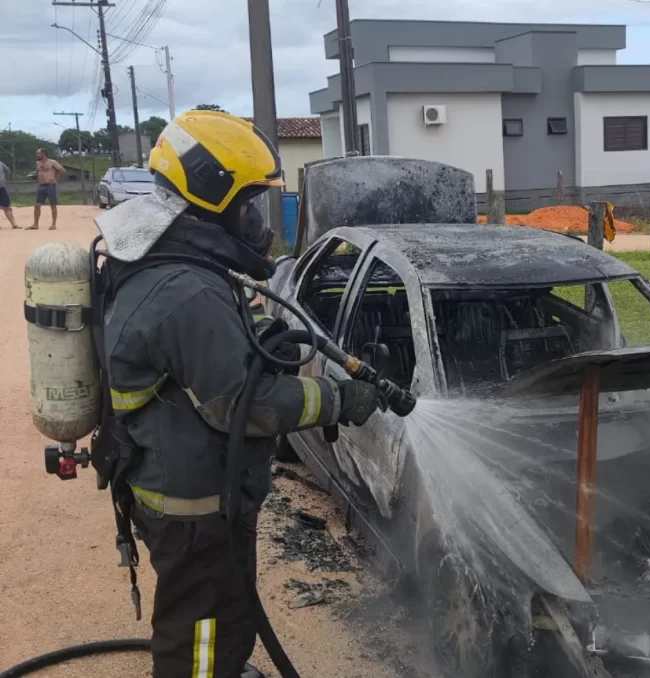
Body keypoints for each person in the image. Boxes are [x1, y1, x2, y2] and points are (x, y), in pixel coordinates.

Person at [93, 110, 386, 678]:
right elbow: (245, 407)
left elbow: (201, 356)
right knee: (203, 627)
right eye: (246, 203)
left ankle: (221, 667)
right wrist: (337, 400)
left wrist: (255, 338)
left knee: (220, 614)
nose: (254, 218)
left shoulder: (163, 253)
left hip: (173, 479)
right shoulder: (185, 290)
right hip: (193, 504)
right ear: (210, 196)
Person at [30, 148, 65, 231]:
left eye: (38, 154)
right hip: (41, 186)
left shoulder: (52, 162)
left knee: (53, 205)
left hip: (50, 185)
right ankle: (35, 224)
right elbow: (38, 172)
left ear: (43, 154)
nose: (36, 155)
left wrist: (58, 180)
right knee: (37, 205)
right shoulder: (37, 163)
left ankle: (53, 224)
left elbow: (62, 170)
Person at [0, 160, 19, 229]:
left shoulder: (0, 163)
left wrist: (7, 180)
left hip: (1, 188)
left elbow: (8, 170)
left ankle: (14, 224)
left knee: (6, 206)